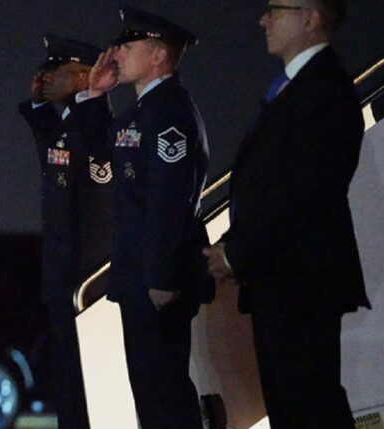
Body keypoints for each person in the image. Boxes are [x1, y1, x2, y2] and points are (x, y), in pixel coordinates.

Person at [204, 1, 370, 427]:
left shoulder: (324, 90)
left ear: (310, 18)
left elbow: (302, 195)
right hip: (283, 277)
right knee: (292, 406)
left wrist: (237, 253)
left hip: (301, 279)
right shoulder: (298, 87)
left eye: (276, 10)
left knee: (309, 405)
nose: (263, 19)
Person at [77, 6, 212, 428]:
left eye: (128, 45)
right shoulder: (143, 111)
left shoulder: (169, 111)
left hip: (156, 280)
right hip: (139, 277)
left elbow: (170, 201)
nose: (116, 53)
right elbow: (101, 155)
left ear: (157, 55)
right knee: (152, 398)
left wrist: (161, 278)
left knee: (166, 398)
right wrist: (96, 97)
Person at [18, 33, 112, 429]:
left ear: (80, 79)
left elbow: (98, 214)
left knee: (87, 389)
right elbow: (50, 144)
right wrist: (38, 103)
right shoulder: (67, 126)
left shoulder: (96, 129)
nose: (44, 76)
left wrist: (86, 281)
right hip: (63, 280)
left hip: (85, 281)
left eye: (54, 70)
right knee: (69, 388)